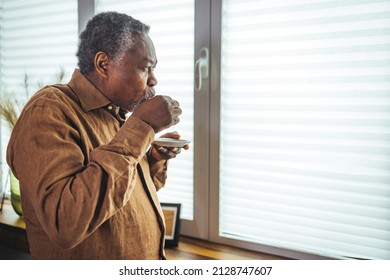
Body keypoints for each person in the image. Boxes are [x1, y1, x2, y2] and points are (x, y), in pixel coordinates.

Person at [6, 11, 188, 260]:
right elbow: (66, 221)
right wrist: (142, 126)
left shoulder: (117, 115)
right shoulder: (49, 111)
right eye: (146, 68)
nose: (154, 80)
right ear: (103, 64)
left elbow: (120, 203)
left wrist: (152, 159)